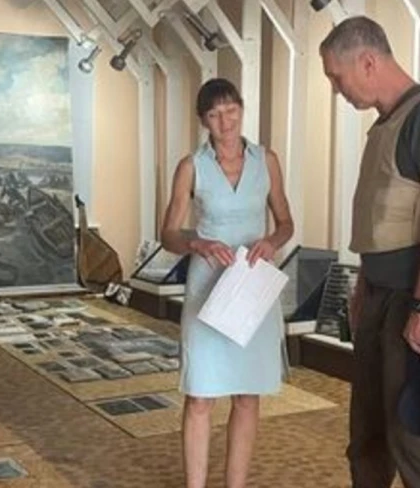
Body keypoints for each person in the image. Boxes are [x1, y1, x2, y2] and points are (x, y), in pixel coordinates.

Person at [319, 16, 420, 488]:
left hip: (419, 292)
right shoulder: (384, 125)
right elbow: (380, 223)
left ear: (367, 62)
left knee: (415, 437)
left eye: (337, 77)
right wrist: (364, 289)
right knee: (368, 435)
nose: (336, 90)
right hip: (381, 293)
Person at [159, 78, 295, 488]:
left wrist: (271, 242)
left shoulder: (266, 160)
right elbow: (168, 233)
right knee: (200, 394)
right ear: (204, 120)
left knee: (247, 394)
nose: (226, 121)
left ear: (241, 109)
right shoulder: (191, 166)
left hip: (251, 287)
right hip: (206, 288)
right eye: (215, 114)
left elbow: (286, 222)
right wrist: (195, 242)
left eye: (231, 110)